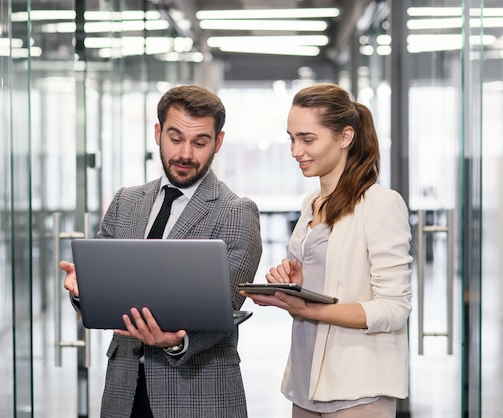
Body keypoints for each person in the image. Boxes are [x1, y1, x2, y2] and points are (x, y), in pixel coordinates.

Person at [60, 84, 263, 418]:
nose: (185, 153)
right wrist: (84, 292)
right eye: (175, 138)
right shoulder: (126, 201)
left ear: (218, 142)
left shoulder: (235, 212)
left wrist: (174, 341)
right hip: (125, 389)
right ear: (157, 133)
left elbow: (224, 308)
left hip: (198, 394)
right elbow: (100, 291)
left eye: (200, 142)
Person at [241, 83, 413, 418]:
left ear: (345, 137)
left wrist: (307, 307)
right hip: (306, 382)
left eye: (307, 139)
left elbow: (393, 309)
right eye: (291, 138)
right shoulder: (312, 203)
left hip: (358, 387)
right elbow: (329, 284)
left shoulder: (379, 204)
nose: (295, 150)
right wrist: (292, 286)